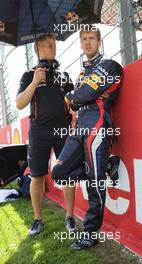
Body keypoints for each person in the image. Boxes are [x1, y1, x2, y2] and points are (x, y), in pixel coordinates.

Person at [52, 25, 123, 249]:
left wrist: (73, 95)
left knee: (94, 184)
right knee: (59, 172)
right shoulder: (83, 73)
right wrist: (74, 96)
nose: (87, 42)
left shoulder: (110, 66)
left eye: (91, 38)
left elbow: (82, 95)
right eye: (83, 39)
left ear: (99, 41)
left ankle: (91, 233)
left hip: (97, 126)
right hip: (79, 128)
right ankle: (107, 164)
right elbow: (78, 98)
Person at [16, 33, 77, 236]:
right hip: (38, 131)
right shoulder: (27, 76)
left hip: (62, 128)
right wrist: (35, 82)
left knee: (67, 173)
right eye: (48, 45)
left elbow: (75, 102)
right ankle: (37, 219)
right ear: (38, 50)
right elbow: (19, 104)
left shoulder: (64, 76)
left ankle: (69, 216)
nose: (53, 47)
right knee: (37, 176)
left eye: (54, 44)